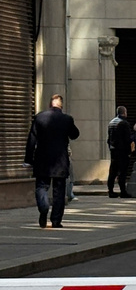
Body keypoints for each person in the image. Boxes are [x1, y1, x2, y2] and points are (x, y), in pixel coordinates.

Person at [24, 94, 80, 228]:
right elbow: (75, 134)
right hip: (60, 161)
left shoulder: (39, 117)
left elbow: (31, 140)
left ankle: (43, 208)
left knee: (41, 187)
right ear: (61, 106)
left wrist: (28, 159)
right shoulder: (67, 119)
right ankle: (56, 220)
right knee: (59, 191)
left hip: (42, 159)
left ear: (50, 104)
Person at [107, 106, 133, 198]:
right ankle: (123, 191)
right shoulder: (124, 123)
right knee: (122, 172)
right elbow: (127, 139)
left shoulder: (111, 123)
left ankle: (111, 190)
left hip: (113, 150)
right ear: (124, 113)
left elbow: (109, 139)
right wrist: (129, 152)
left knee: (112, 171)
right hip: (122, 152)